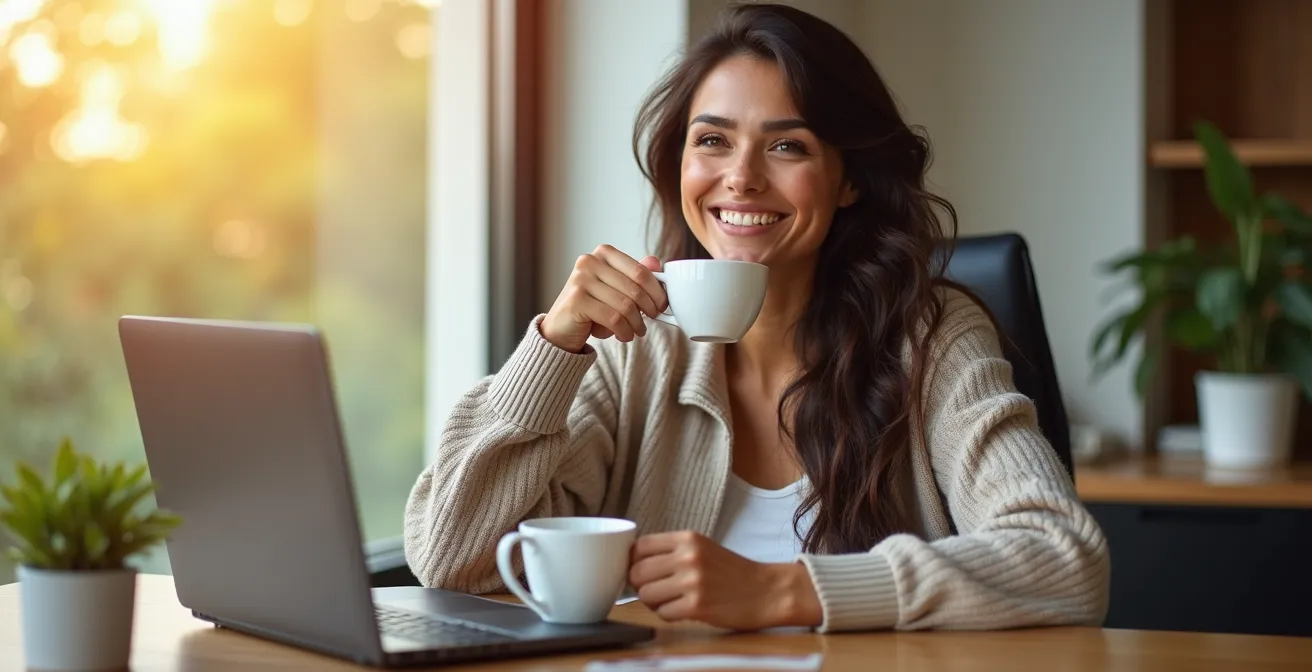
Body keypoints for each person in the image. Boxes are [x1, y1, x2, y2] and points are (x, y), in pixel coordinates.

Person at [403, 3, 1109, 633]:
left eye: (786, 145)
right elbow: (450, 560)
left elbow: (1064, 559)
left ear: (849, 179)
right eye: (712, 140)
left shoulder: (929, 338)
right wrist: (552, 350)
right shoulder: (630, 349)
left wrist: (782, 591)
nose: (740, 177)